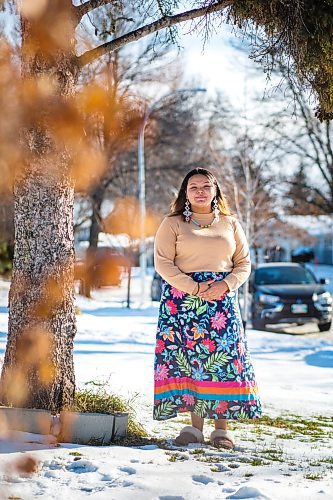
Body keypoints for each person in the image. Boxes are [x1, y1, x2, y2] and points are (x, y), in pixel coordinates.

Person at [153, 168, 261, 449]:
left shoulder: (230, 224)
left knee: (221, 362)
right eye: (193, 187)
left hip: (222, 302)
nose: (200, 191)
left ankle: (221, 430)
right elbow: (163, 263)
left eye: (205, 186)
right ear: (185, 194)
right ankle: (193, 428)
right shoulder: (172, 223)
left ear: (215, 191)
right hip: (182, 302)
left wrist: (224, 286)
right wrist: (196, 288)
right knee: (190, 360)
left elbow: (244, 264)